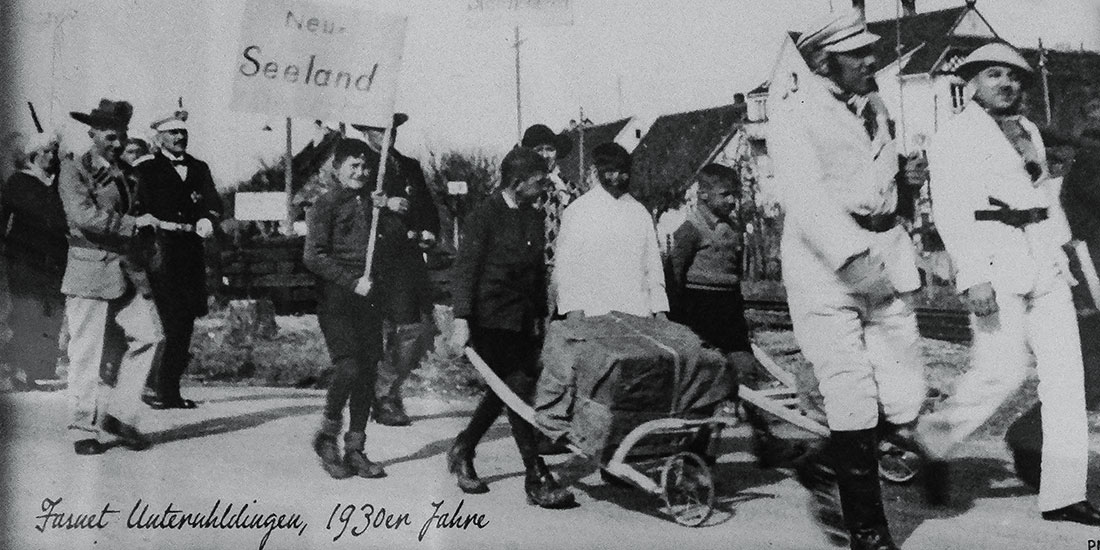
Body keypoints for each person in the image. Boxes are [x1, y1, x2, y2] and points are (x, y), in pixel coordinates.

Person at [921, 42, 1100, 525]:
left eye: (1014, 76)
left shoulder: (1027, 132)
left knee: (1067, 378)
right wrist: (971, 276)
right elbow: (952, 211)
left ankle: (1064, 494)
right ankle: (929, 442)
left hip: (1044, 259)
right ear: (973, 83)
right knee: (1002, 371)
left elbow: (1044, 196)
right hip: (994, 261)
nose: (1006, 83)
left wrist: (1067, 256)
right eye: (994, 74)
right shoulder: (954, 137)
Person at [768, 9, 929, 549]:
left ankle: (822, 463)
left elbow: (883, 187)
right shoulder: (794, 112)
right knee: (851, 392)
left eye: (869, 52)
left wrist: (905, 197)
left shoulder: (876, 109)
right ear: (824, 62)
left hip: (884, 259)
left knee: (906, 394)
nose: (870, 60)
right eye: (857, 54)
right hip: (825, 270)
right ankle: (867, 531)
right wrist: (850, 259)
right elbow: (805, 196)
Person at [447, 146, 575, 508]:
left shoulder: (534, 217)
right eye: (539, 181)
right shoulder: (483, 216)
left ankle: (464, 447)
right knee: (516, 390)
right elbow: (465, 270)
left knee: (503, 391)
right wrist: (460, 320)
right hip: (488, 320)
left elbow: (536, 272)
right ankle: (536, 478)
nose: (544, 187)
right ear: (517, 183)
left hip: (521, 321)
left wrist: (541, 316)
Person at [667, 162, 805, 468]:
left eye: (735, 195)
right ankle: (696, 452)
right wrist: (678, 318)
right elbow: (674, 274)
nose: (732, 201)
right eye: (725, 194)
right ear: (703, 195)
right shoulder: (689, 230)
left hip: (728, 310)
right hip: (700, 311)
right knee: (708, 382)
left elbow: (732, 276)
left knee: (746, 373)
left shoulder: (732, 227)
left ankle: (766, 442)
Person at [58, 99, 163, 455]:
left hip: (124, 270)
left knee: (150, 336)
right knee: (86, 352)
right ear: (92, 134)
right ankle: (82, 425)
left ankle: (118, 415)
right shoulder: (74, 170)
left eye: (122, 136)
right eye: (109, 136)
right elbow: (84, 216)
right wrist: (133, 225)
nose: (117, 144)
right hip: (88, 270)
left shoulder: (129, 173)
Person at [303, 138, 400, 479]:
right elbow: (313, 256)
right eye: (353, 166)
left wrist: (385, 211)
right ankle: (326, 435)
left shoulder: (374, 205)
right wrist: (350, 280)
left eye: (365, 167)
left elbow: (392, 242)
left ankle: (355, 449)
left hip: (370, 297)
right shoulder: (325, 205)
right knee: (349, 368)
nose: (361, 172)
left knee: (368, 373)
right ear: (337, 168)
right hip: (338, 298)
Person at [353, 113, 439, 427]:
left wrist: (429, 231)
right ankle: (383, 396)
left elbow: (427, 207)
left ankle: (386, 388)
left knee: (413, 330)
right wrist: (383, 203)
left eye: (393, 129)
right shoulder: (359, 166)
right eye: (380, 129)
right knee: (380, 331)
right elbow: (346, 203)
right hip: (372, 259)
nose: (389, 135)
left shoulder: (409, 166)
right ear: (366, 131)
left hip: (407, 260)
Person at [137, 110, 222, 410]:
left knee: (185, 321)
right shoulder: (145, 169)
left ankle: (168, 390)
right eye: (172, 133)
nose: (179, 137)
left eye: (182, 132)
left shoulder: (199, 167)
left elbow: (213, 202)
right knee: (170, 320)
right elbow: (137, 206)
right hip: (161, 251)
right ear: (159, 137)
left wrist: (208, 220)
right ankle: (158, 387)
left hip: (190, 252)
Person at [554, 142, 668, 319]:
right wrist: (573, 311)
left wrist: (660, 310)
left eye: (623, 172)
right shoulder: (578, 212)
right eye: (611, 171)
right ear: (597, 171)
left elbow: (653, 266)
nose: (618, 177)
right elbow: (567, 269)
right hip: (594, 314)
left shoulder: (639, 212)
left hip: (638, 313)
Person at [0, 132, 66, 385]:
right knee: (28, 311)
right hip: (24, 256)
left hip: (56, 256)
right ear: (33, 155)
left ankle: (44, 369)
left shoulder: (58, 182)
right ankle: (21, 369)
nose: (50, 157)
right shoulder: (19, 181)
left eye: (53, 152)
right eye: (45, 152)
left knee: (53, 311)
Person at [520, 123, 576, 315]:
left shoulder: (571, 189)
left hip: (567, 271)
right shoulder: (520, 190)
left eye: (549, 149)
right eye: (539, 150)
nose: (545, 155)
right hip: (531, 271)